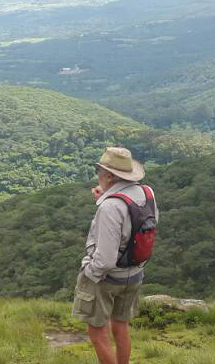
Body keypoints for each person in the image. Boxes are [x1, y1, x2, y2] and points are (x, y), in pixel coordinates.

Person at [73, 147, 155, 364]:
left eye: (99, 170)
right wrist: (105, 197)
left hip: (106, 278)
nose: (97, 174)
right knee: (120, 325)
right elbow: (136, 225)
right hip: (134, 273)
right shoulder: (147, 193)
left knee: (97, 331)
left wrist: (87, 271)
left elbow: (105, 260)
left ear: (109, 176)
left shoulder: (110, 207)